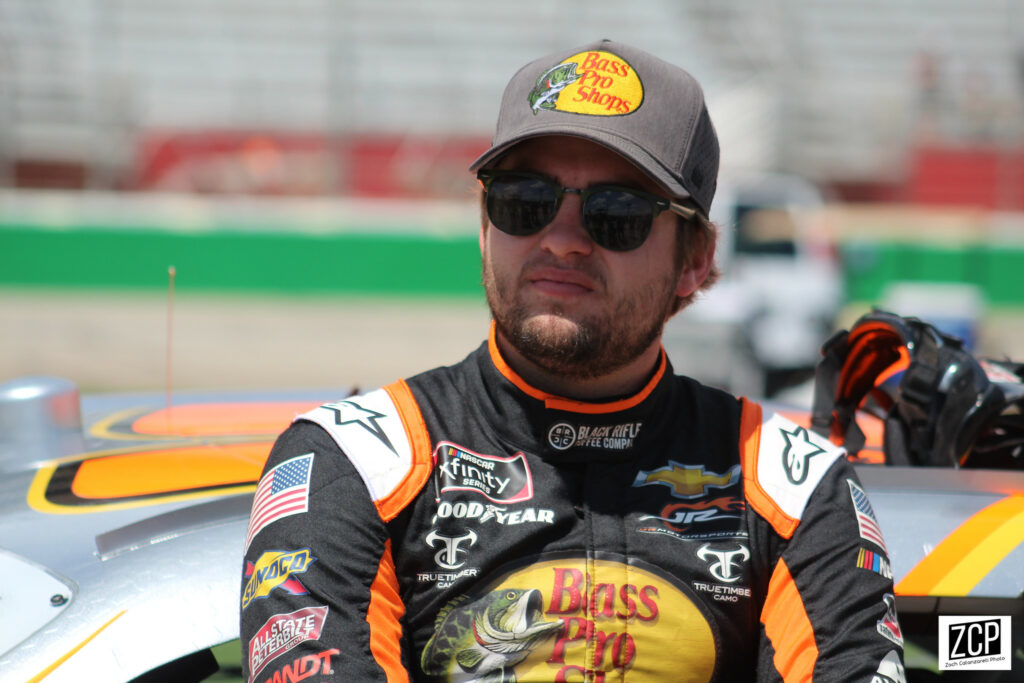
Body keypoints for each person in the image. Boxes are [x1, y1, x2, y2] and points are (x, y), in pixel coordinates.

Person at [240, 39, 905, 682]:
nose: (561, 239)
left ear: (695, 259)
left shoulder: (793, 482)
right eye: (523, 201)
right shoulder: (352, 462)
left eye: (617, 213)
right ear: (484, 226)